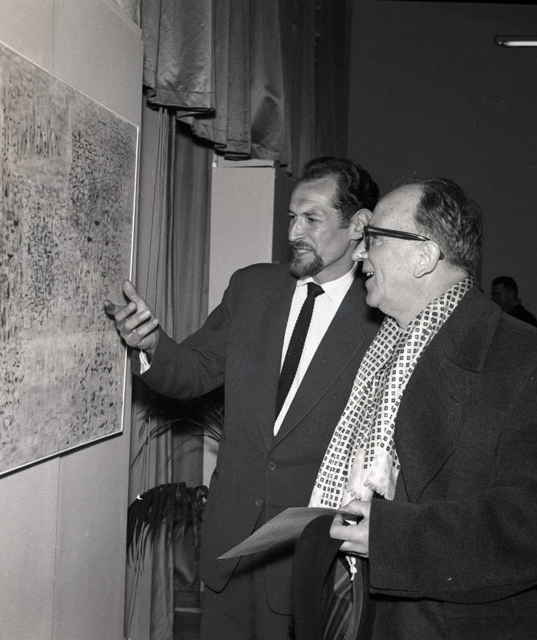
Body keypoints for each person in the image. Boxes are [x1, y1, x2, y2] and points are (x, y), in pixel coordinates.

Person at [110, 156, 382, 639]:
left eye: (312, 219)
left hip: (309, 555)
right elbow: (194, 370)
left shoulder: (380, 315)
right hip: (230, 545)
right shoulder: (252, 287)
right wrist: (152, 345)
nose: (294, 232)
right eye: (291, 217)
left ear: (358, 225)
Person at [304, 177, 537, 639]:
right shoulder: (379, 350)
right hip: (356, 612)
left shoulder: (522, 358)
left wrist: (392, 538)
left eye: (374, 238)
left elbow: (526, 522)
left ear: (424, 256)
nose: (359, 253)